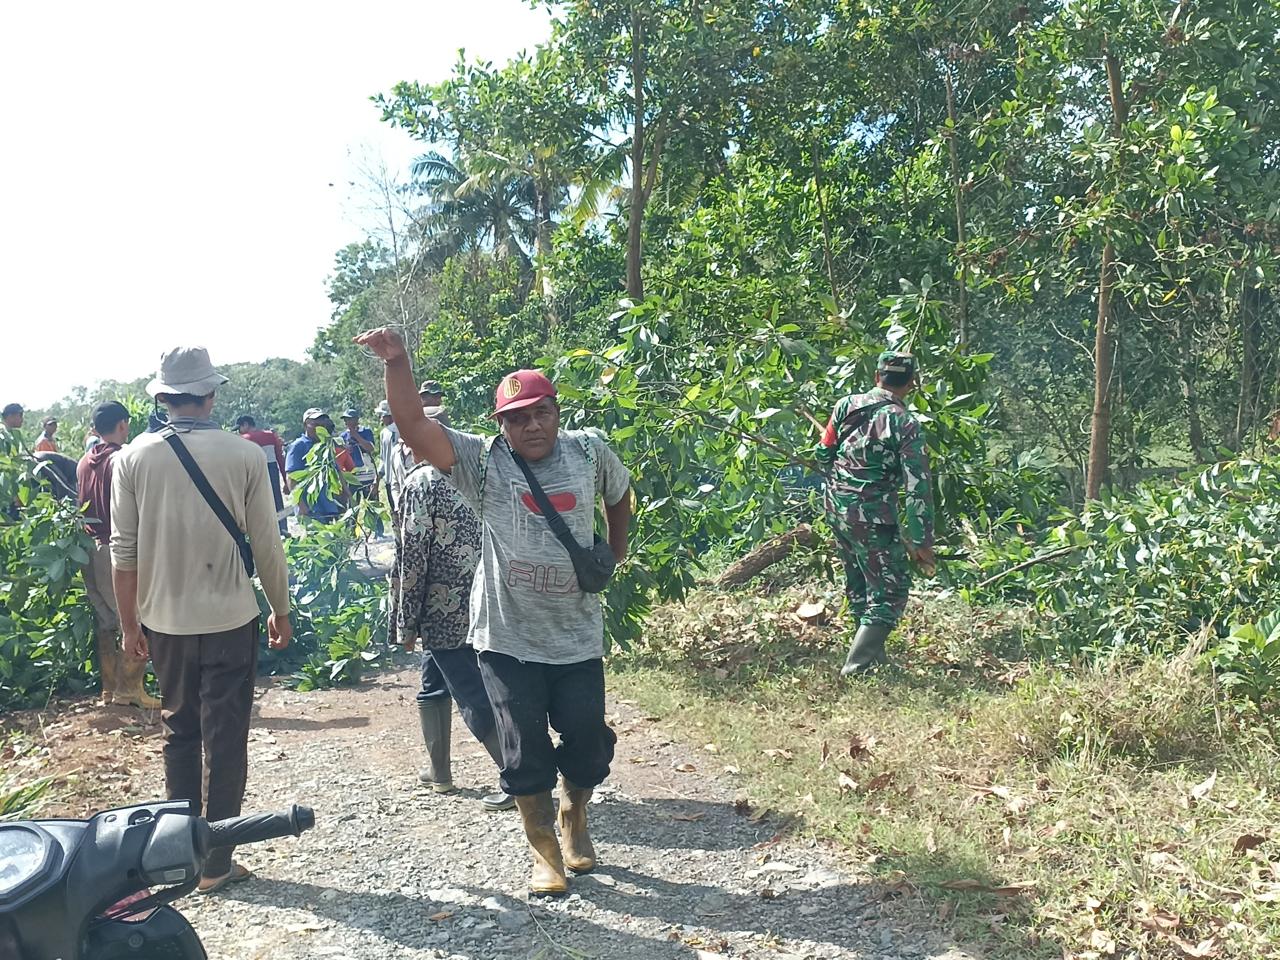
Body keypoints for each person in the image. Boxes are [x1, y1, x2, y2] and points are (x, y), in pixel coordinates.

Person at [356, 326, 632, 897]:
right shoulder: (483, 463)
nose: (532, 426)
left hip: (577, 634)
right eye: (518, 417)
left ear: (557, 412)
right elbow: (413, 426)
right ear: (501, 423)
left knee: (586, 737)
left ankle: (574, 812)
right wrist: (399, 361)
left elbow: (619, 495)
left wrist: (615, 550)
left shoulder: (589, 449)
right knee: (522, 745)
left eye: (541, 413)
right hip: (506, 636)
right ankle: (544, 850)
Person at [111, 346, 291, 893]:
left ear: (162, 398)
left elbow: (124, 552)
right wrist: (280, 610)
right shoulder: (243, 454)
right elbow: (266, 541)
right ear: (211, 395)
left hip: (164, 620)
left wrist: (129, 625)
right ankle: (217, 862)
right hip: (231, 618)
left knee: (179, 732)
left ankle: (180, 856)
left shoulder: (133, 458)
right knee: (227, 735)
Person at [392, 404, 513, 812]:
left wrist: (405, 620)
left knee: (471, 693)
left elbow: (413, 557)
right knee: (434, 680)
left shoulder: (423, 483)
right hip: (488, 598)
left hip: (445, 608)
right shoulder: (478, 472)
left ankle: (517, 779)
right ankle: (439, 770)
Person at [815, 350, 935, 676]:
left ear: (876, 377)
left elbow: (823, 453)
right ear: (912, 383)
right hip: (872, 517)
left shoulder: (845, 405)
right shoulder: (906, 424)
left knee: (861, 585)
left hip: (835, 508)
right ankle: (857, 667)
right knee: (890, 591)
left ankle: (873, 661)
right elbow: (917, 487)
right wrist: (923, 541)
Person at [77, 401, 160, 709]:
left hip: (88, 548)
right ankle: (130, 690)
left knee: (105, 619)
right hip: (115, 550)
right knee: (133, 617)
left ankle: (110, 689)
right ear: (123, 425)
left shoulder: (85, 461)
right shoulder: (122, 459)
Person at [285, 409, 353, 521]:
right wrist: (301, 506)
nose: (319, 428)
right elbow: (291, 478)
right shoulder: (298, 446)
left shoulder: (325, 445)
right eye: (315, 425)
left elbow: (336, 470)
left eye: (322, 425)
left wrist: (346, 493)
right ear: (306, 425)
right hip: (310, 507)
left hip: (330, 504)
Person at [236, 415, 288, 536]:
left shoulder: (245, 438)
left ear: (246, 425)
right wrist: (286, 481)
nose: (239, 431)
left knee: (258, 503)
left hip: (255, 471)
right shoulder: (270, 435)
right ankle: (283, 529)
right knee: (277, 500)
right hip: (272, 470)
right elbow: (280, 458)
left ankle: (265, 533)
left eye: (239, 428)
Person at [340, 407, 381, 532]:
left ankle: (378, 531)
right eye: (346, 420)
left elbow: (371, 448)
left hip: (368, 473)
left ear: (356, 420)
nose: (347, 422)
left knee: (372, 504)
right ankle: (352, 532)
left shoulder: (366, 431)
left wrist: (356, 436)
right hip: (353, 476)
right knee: (353, 506)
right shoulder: (343, 436)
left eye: (350, 419)